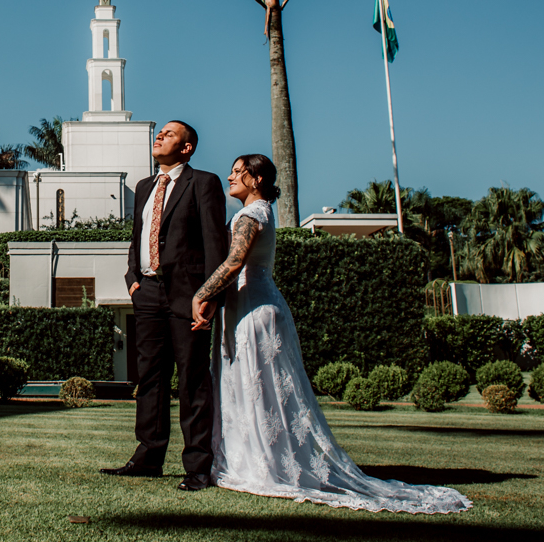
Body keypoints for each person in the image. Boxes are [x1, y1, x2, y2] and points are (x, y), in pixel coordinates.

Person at [190, 154, 472, 513]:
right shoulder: (258, 213)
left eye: (237, 172)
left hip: (253, 308)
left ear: (257, 178)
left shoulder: (250, 215)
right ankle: (256, 459)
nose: (230, 176)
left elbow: (234, 262)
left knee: (258, 387)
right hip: (248, 304)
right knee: (256, 388)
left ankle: (262, 465)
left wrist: (202, 294)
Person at [100, 121, 229, 492]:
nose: (160, 137)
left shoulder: (203, 183)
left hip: (188, 296)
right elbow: (138, 237)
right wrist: (133, 280)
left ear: (187, 148)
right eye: (160, 134)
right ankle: (148, 456)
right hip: (148, 294)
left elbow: (214, 244)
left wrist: (208, 295)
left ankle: (198, 467)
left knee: (192, 381)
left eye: (169, 134)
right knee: (150, 378)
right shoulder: (144, 187)